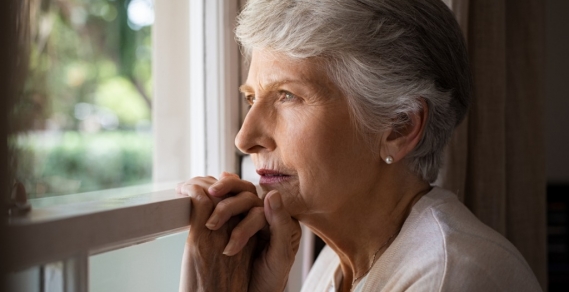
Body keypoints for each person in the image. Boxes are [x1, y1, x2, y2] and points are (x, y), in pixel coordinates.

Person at [177, 0, 543, 291]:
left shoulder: (449, 278)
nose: (245, 138)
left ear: (398, 127)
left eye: (287, 95)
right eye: (251, 97)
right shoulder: (335, 266)